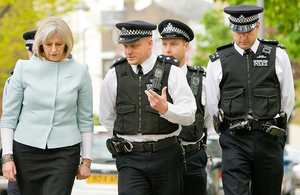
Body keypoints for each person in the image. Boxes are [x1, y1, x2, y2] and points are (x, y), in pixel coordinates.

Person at [99, 20, 197, 195]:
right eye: (125, 46)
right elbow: (107, 117)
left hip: (166, 156)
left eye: (134, 46)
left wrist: (166, 109)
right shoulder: (115, 74)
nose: (128, 51)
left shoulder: (171, 71)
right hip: (130, 158)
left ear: (150, 43)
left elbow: (189, 115)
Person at [206, 4, 295, 195]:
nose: (243, 37)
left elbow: (287, 99)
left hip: (269, 139)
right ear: (231, 29)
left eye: (247, 31)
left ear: (257, 26)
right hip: (234, 140)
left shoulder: (277, 56)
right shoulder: (218, 61)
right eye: (238, 32)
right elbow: (213, 105)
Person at [0, 17, 94, 195]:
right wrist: (7, 157)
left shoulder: (81, 71)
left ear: (67, 44)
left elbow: (85, 118)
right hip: (26, 151)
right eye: (48, 44)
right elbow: (9, 118)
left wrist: (86, 160)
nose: (53, 49)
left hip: (64, 153)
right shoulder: (23, 68)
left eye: (59, 44)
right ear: (40, 44)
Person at [158, 19, 213, 195]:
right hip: (162, 157)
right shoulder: (153, 78)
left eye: (173, 44)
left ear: (186, 46)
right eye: (164, 44)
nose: (168, 49)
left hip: (192, 156)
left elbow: (209, 117)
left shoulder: (201, 78)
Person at [2, 29, 37, 195]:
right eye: (30, 50)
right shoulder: (13, 80)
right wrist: (8, 157)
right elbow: (8, 120)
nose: (32, 55)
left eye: (36, 51)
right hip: (19, 153)